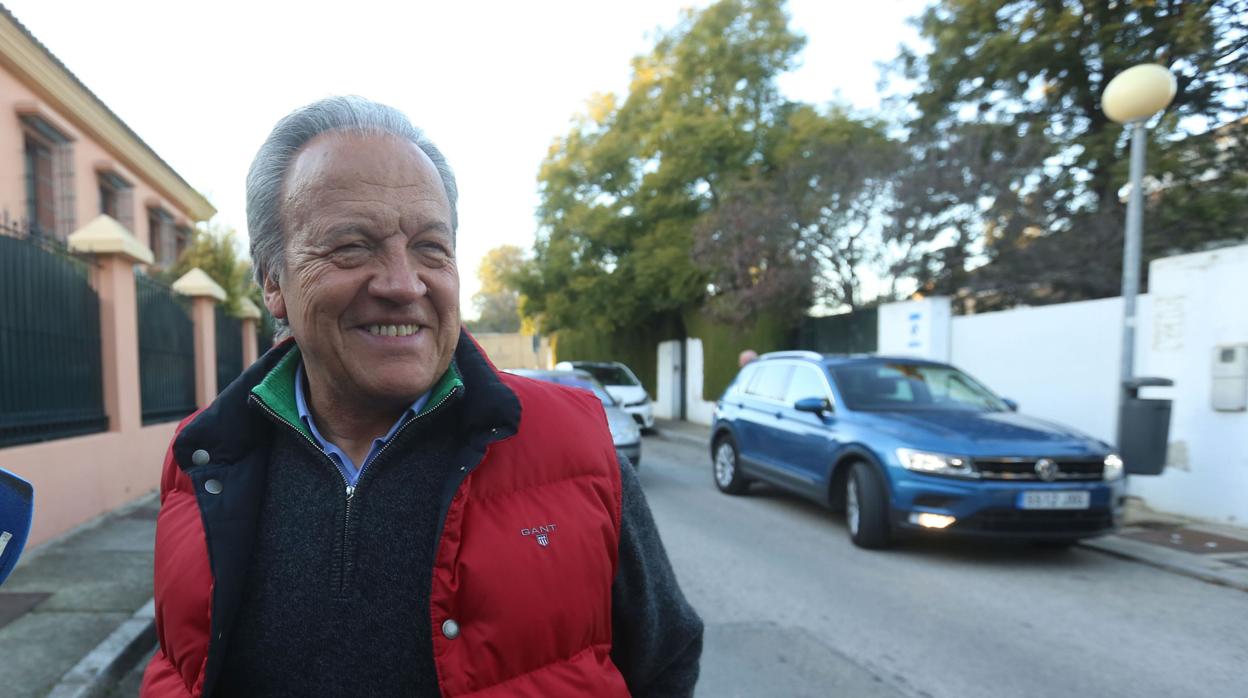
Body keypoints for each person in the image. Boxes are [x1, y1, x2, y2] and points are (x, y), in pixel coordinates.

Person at [142, 96, 703, 697]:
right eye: (351, 247)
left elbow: (664, 660)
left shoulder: (577, 449)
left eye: (431, 247)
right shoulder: (201, 460)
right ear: (273, 280)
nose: (403, 284)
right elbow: (179, 669)